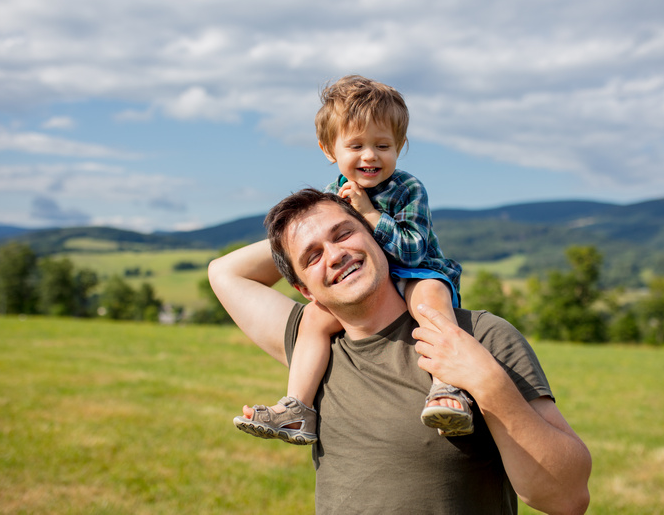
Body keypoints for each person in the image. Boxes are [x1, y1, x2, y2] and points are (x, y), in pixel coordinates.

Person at [208, 189, 592, 514]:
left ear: (377, 236)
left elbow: (567, 496)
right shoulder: (315, 350)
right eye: (313, 256)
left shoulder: (478, 335)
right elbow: (224, 272)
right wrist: (323, 208)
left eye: (344, 234)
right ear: (304, 291)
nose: (335, 255)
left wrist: (488, 382)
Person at [232, 75, 473, 444]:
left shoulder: (408, 189)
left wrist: (370, 215)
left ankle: (447, 387)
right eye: (356, 145)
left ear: (400, 146)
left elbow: (412, 249)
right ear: (329, 150)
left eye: (383, 145)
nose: (370, 156)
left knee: (429, 299)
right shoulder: (329, 196)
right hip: (359, 283)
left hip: (416, 270)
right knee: (313, 317)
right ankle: (298, 407)